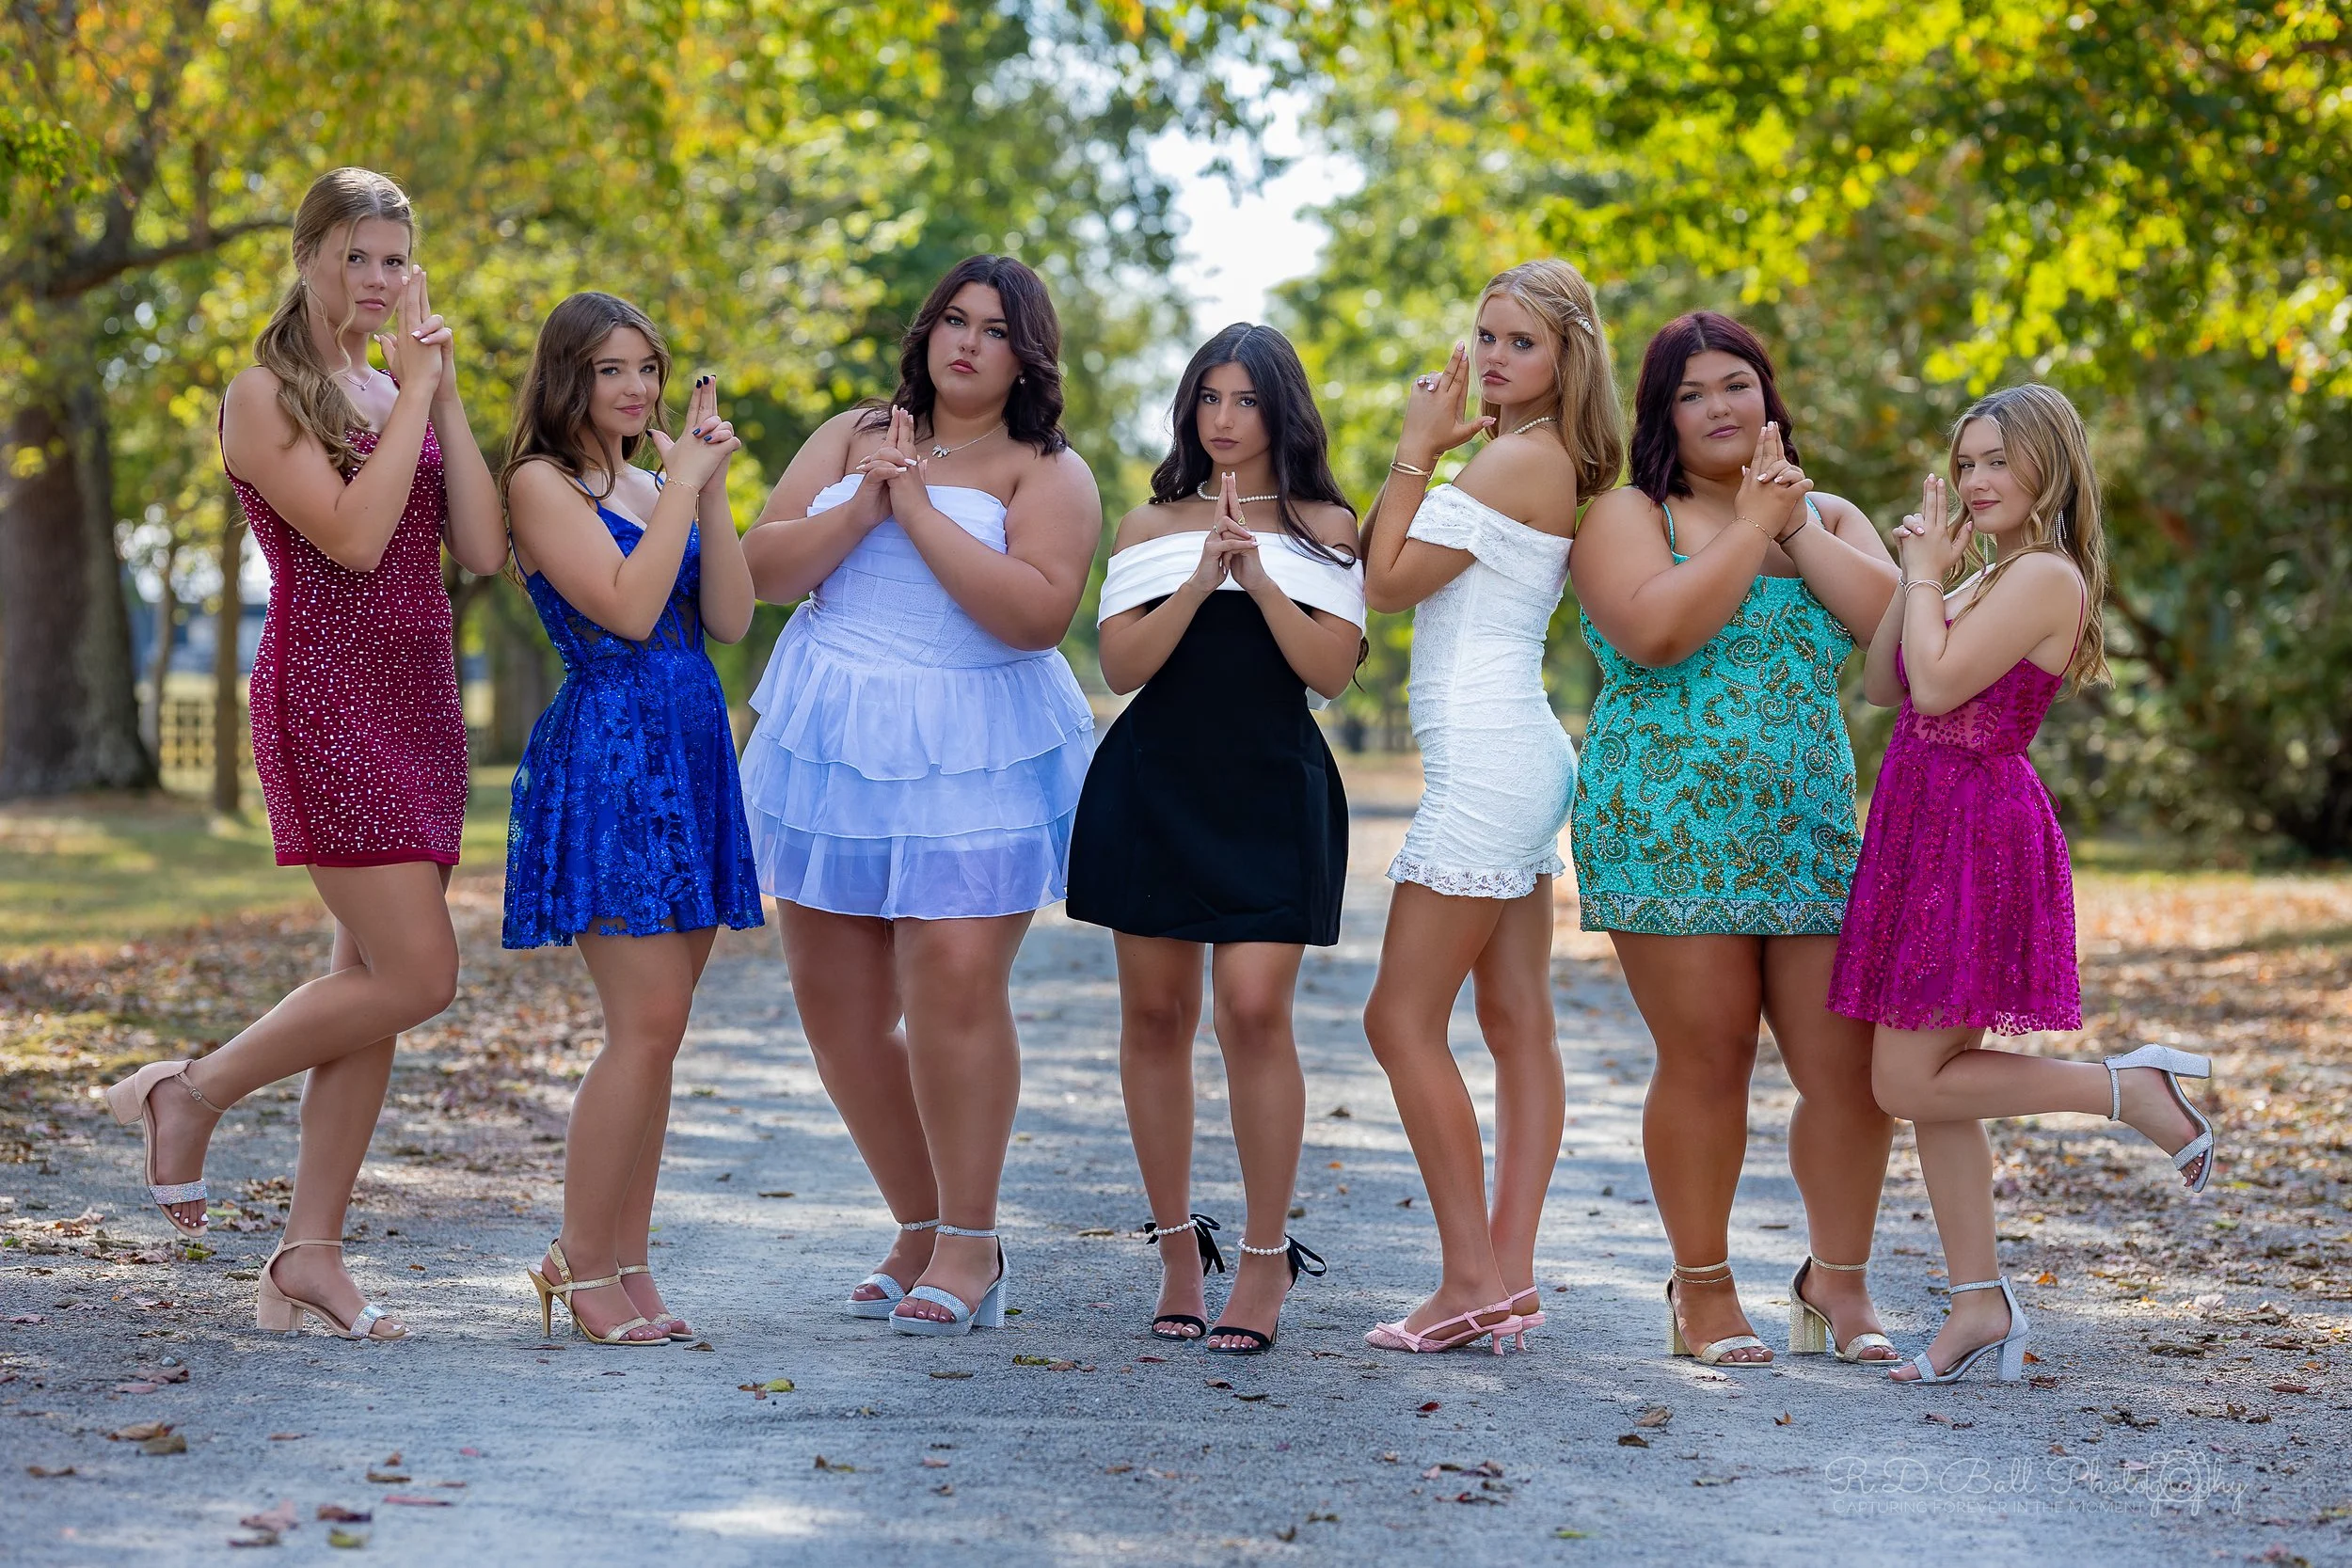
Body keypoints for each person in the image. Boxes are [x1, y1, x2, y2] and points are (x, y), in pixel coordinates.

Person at [103, 166, 506, 1340]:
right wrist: (412, 399)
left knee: (371, 994)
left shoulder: (401, 382)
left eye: (397, 258)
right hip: (326, 697)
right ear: (310, 254)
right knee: (419, 974)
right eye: (359, 256)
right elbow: (355, 533)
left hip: (421, 699)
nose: (379, 280)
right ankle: (190, 1091)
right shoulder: (261, 394)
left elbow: (475, 544)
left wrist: (442, 397)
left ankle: (307, 1255)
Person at [739, 256, 1100, 1336]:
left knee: (949, 976)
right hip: (836, 739)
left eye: (993, 329)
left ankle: (972, 1241)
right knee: (839, 1009)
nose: (966, 342)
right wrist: (862, 508)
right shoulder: (854, 431)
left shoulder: (1048, 470)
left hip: (975, 742)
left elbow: (1035, 615)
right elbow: (760, 566)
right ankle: (920, 1221)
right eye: (953, 319)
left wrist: (916, 507)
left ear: (1025, 354)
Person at [1835, 383, 2215, 1384]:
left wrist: (1925, 584)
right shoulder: (1985, 576)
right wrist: (1927, 574)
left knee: (1904, 1075)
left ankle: (2124, 1088)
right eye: (1965, 463)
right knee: (1934, 1085)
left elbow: (1947, 684)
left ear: (2048, 461)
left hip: (1972, 828)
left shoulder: (2045, 576)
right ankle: (1977, 1305)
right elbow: (1885, 682)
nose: (1976, 478)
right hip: (1922, 823)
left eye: (1996, 458)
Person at [1569, 310, 1899, 1367]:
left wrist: (1795, 524)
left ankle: (1834, 1281)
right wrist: (1753, 528)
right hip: (1662, 830)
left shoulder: (1830, 514)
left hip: (1807, 834)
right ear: (1661, 413)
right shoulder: (1628, 514)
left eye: (1737, 384)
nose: (1720, 406)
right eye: (1693, 391)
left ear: (1769, 398)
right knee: (1709, 1058)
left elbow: (1900, 646)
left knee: (1849, 1071)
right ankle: (1701, 1288)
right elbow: (1657, 631)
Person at [1067, 324, 1364, 1354]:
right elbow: (1120, 667)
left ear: (1284, 410)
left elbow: (1326, 674)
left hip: (1271, 791)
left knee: (1251, 1009)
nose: (1226, 420)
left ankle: (1266, 1256)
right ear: (1189, 409)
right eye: (1209, 399)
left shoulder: (1333, 524)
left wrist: (1261, 573)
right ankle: (1176, 1251)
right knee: (1154, 1017)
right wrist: (1199, 575)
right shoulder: (1147, 522)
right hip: (1155, 785)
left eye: (1246, 400)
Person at [1356, 260, 1621, 1354]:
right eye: (1487, 334)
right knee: (1515, 1023)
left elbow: (1383, 577)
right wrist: (1431, 460)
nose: (1496, 357)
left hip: (1489, 764)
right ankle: (1504, 1275)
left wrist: (1416, 448)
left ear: (1566, 358)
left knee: (1397, 1017)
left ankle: (1468, 1273)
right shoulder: (1528, 457)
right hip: (1513, 752)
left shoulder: (1515, 459)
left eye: (1521, 341)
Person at [501, 293, 761, 1346]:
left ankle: (628, 1255)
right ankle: (581, 1256)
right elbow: (627, 608)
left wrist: (707, 493)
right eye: (613, 369)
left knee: (662, 1035)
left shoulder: (663, 481)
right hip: (612, 756)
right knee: (642, 1026)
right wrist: (679, 493)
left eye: (648, 367)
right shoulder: (538, 483)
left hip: (693, 753)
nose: (639, 389)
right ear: (569, 375)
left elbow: (732, 617)